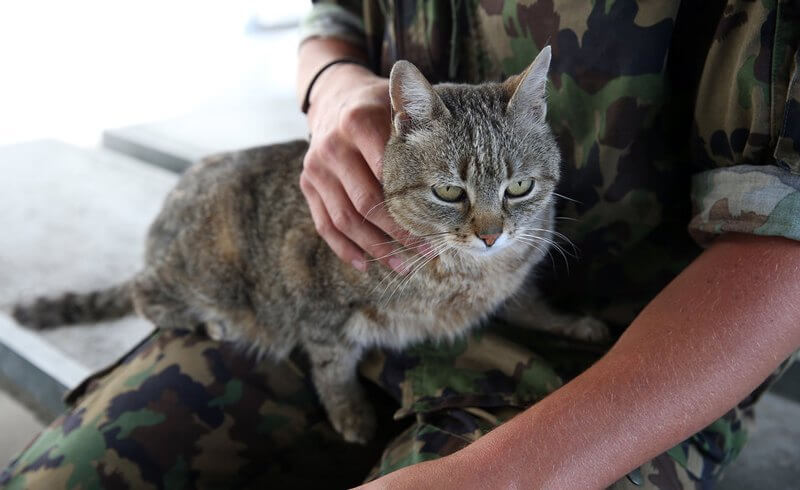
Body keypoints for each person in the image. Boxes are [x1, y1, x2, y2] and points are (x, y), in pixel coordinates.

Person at [2, 1, 799, 488]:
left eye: (513, 198)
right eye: (462, 200)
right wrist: (331, 84)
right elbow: (331, 18)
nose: (491, 227)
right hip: (346, 312)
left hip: (638, 357)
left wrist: (513, 477)